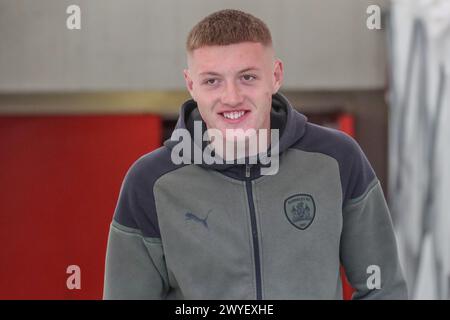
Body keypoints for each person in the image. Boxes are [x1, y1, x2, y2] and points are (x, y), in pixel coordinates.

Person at [103, 9, 408, 299]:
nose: (232, 97)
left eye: (247, 77)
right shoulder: (151, 182)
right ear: (191, 85)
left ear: (275, 76)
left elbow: (383, 287)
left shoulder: (337, 160)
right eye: (212, 81)